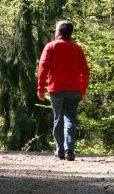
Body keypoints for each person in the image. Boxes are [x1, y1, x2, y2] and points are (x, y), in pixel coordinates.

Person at [37, 20, 89, 161]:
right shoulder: (77, 49)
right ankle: (69, 150)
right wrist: (83, 90)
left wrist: (41, 88)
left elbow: (43, 68)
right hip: (74, 90)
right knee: (70, 120)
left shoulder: (51, 46)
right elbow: (85, 70)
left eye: (55, 29)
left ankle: (60, 151)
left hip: (56, 90)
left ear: (58, 31)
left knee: (58, 119)